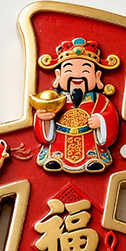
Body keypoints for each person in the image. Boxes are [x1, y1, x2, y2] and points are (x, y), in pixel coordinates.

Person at [33, 37, 120, 173]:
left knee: (92, 155)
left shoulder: (100, 100)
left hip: (90, 141)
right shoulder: (54, 99)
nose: (77, 75)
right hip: (60, 141)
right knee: (56, 153)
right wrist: (43, 118)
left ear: (97, 77)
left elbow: (110, 116)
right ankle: (55, 158)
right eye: (69, 71)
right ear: (58, 76)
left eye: (86, 71)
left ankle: (93, 159)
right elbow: (42, 116)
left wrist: (101, 120)